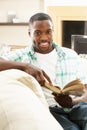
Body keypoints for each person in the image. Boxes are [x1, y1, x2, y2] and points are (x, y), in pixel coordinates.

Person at [0, 12, 87, 130]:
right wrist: (25, 66)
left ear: (53, 32)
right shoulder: (22, 56)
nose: (44, 38)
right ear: (30, 33)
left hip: (77, 106)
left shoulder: (71, 55)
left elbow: (85, 89)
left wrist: (73, 102)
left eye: (48, 32)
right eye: (37, 33)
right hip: (49, 110)